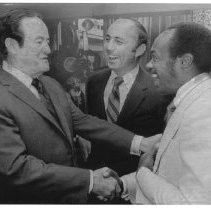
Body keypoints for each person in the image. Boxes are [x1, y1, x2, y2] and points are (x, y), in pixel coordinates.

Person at [0, 9, 160, 204]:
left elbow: (83, 121)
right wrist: (90, 180)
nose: (49, 50)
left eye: (48, 42)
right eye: (39, 42)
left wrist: (141, 143)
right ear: (12, 45)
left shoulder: (50, 84)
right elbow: (15, 168)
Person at [106, 22, 211, 204]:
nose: (148, 65)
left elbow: (192, 204)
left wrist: (142, 174)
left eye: (155, 58)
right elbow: (166, 171)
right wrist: (123, 184)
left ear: (184, 62)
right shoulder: (188, 102)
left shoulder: (203, 112)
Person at [86, 18, 170, 176]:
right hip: (94, 176)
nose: (109, 47)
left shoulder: (158, 91)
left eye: (118, 42)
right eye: (107, 39)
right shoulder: (94, 82)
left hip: (133, 183)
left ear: (139, 50)